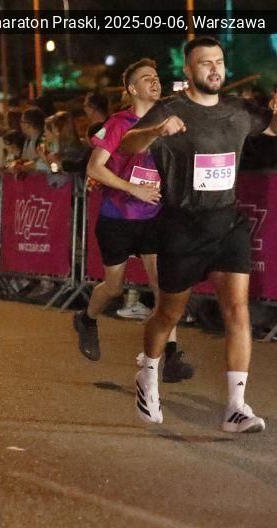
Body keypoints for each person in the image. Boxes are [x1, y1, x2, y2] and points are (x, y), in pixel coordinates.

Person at [119, 36, 277, 432]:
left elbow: (276, 128)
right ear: (188, 69)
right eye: (205, 63)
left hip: (227, 224)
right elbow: (128, 144)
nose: (214, 69)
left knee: (237, 310)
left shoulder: (238, 109)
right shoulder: (170, 109)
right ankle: (148, 372)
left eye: (219, 61)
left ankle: (236, 407)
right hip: (182, 226)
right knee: (169, 313)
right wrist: (157, 130)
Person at [73, 58, 194, 382]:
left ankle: (171, 356)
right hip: (117, 215)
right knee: (114, 287)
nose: (155, 81)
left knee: (162, 286)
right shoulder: (119, 123)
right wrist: (132, 188)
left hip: (153, 216)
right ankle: (86, 319)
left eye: (156, 77)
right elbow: (94, 168)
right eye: (146, 78)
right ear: (131, 89)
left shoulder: (169, 120)